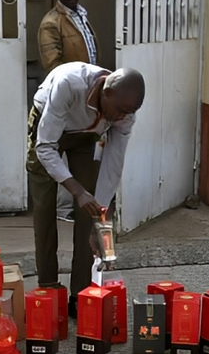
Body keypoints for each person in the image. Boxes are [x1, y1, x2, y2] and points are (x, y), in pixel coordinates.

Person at [26, 62, 145, 318]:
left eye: (129, 112)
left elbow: (113, 165)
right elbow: (45, 148)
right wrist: (76, 190)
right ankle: (48, 289)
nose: (123, 117)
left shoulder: (125, 113)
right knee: (45, 206)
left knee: (88, 212)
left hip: (87, 135)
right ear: (106, 92)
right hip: (47, 127)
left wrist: (98, 216)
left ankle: (79, 294)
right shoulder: (68, 84)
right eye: (120, 110)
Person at [38, 0, 99, 223]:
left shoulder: (82, 16)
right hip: (69, 96)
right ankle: (63, 209)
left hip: (87, 94)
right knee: (58, 153)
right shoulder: (51, 22)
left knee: (82, 158)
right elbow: (54, 67)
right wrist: (74, 91)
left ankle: (75, 207)